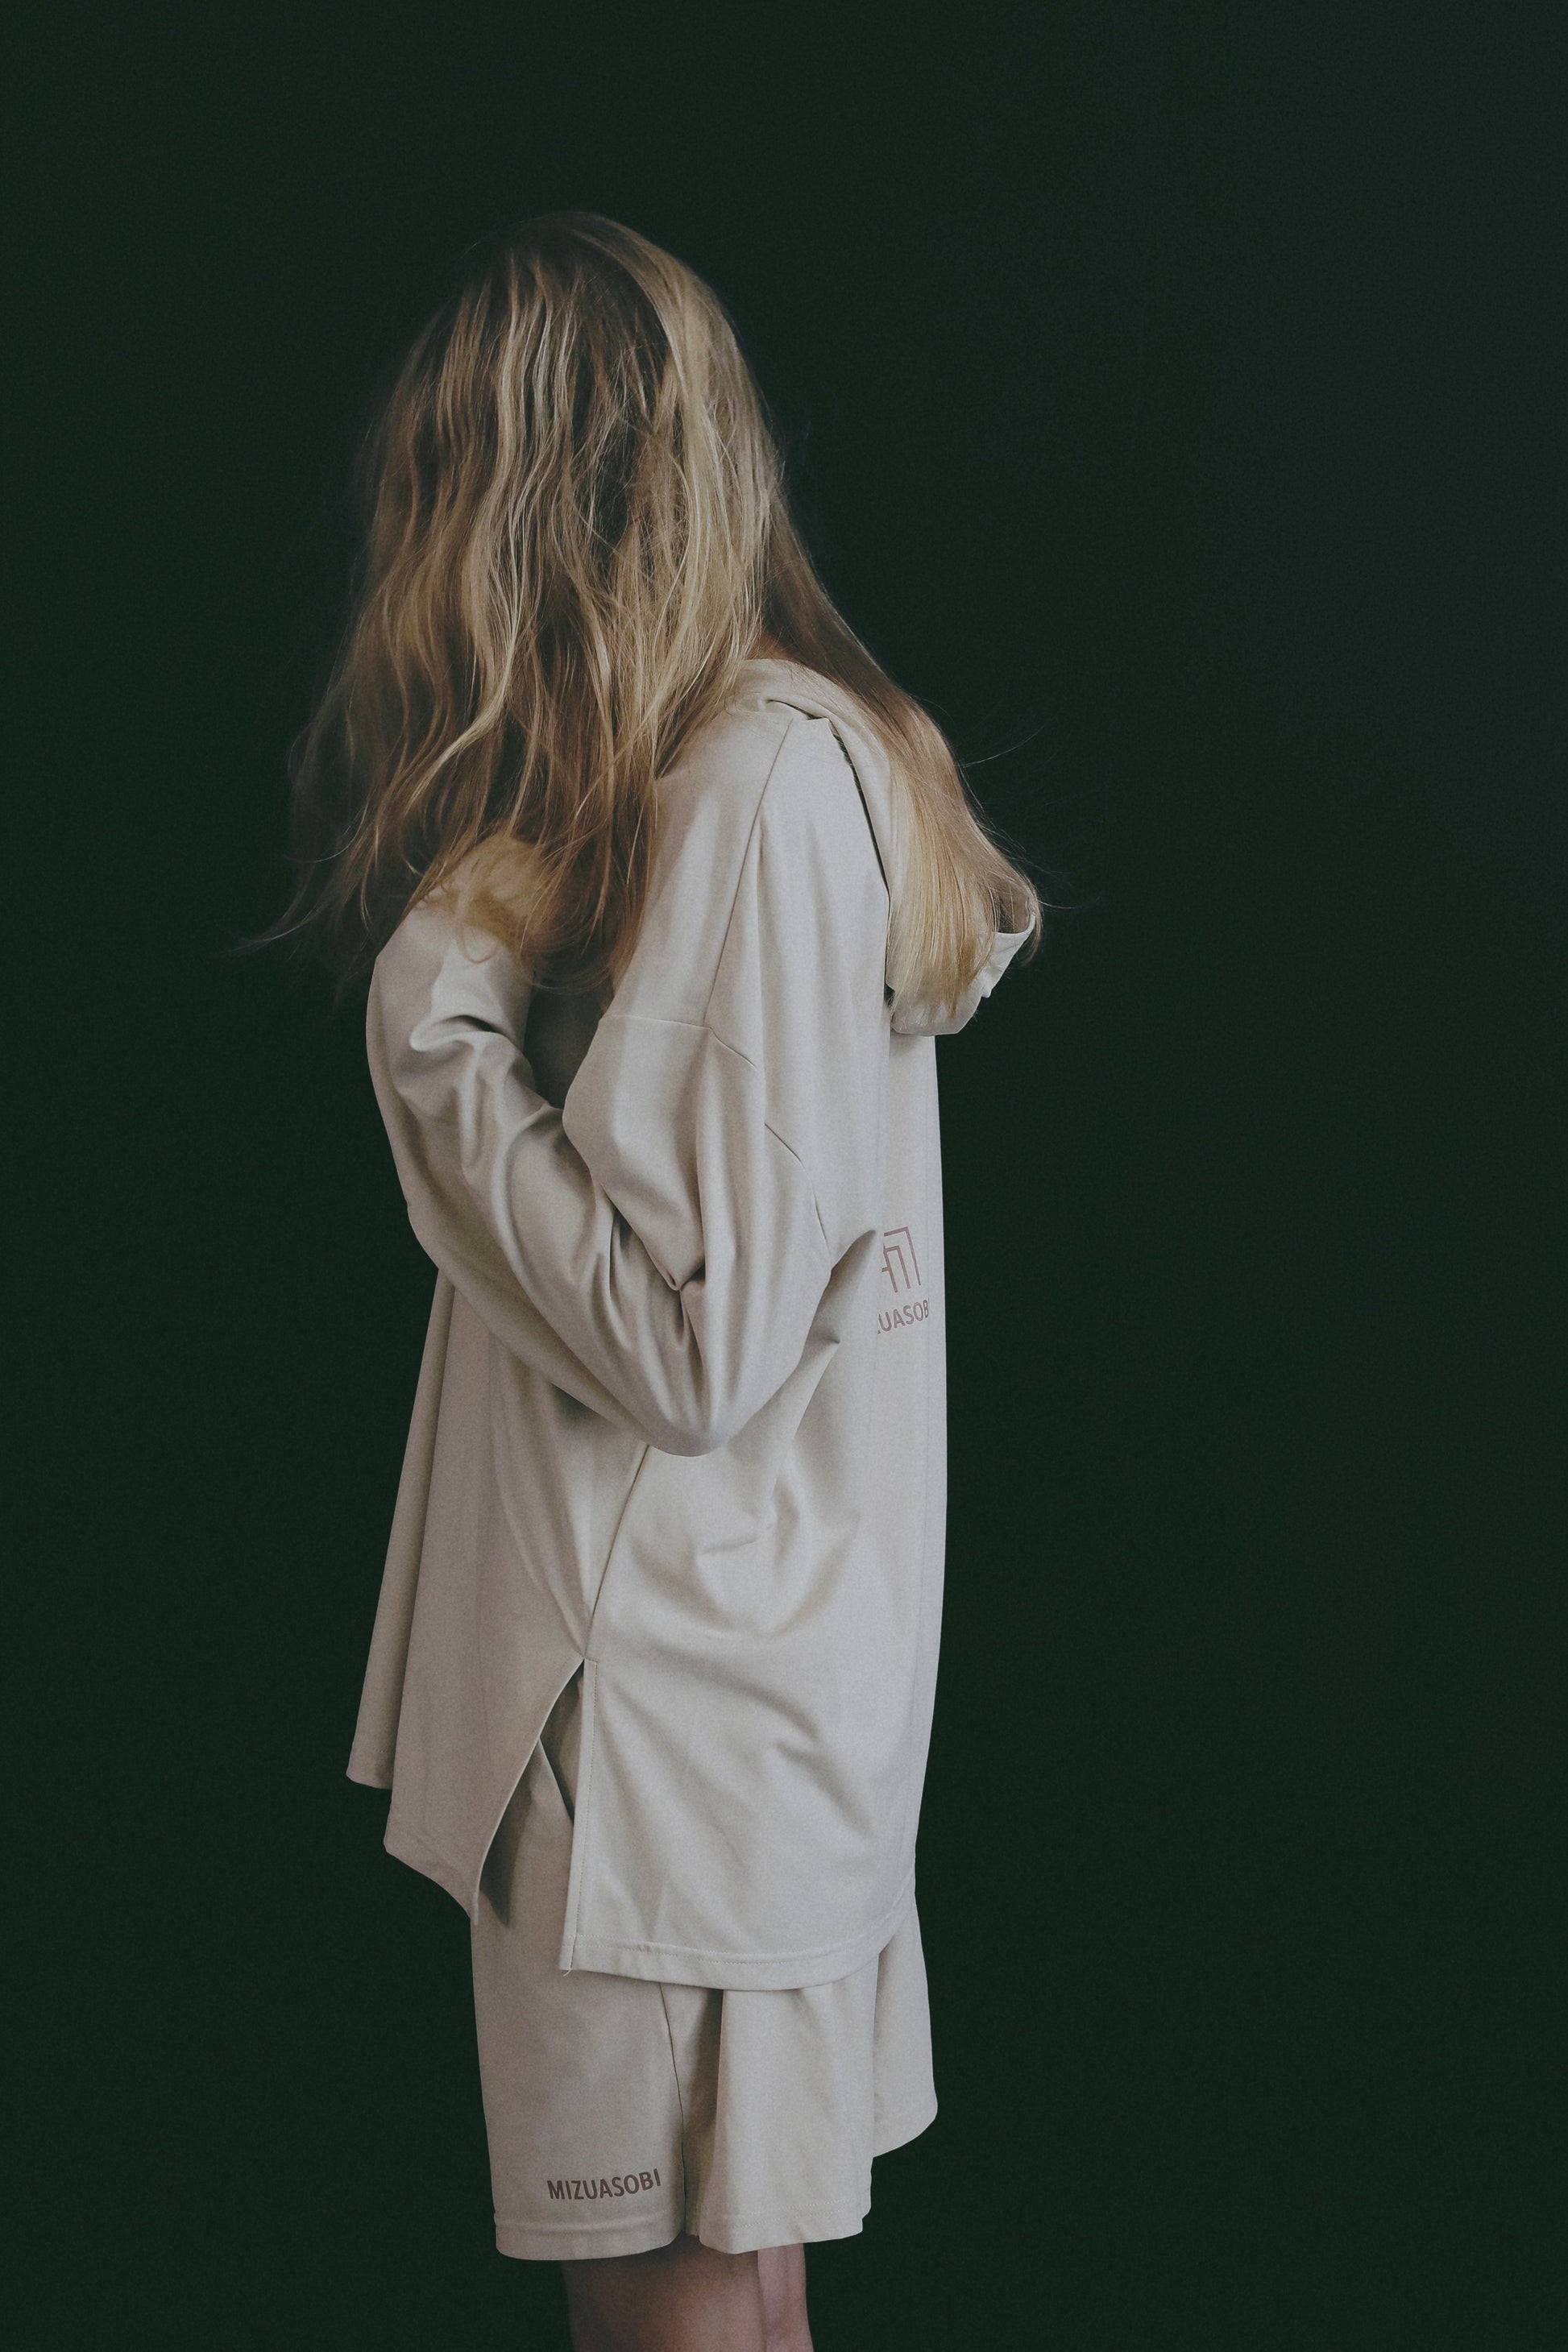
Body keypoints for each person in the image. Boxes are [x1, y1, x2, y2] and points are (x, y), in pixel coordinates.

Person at [257, 210, 1039, 2352]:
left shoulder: (754, 789)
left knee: (685, 2322)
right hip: (702, 1719)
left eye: (440, 491)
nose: (417, 561)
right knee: (737, 2304)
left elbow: (689, 1351)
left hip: (662, 1738)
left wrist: (442, 1017)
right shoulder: (763, 768)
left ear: (526, 503)